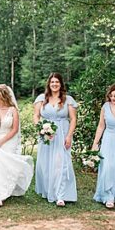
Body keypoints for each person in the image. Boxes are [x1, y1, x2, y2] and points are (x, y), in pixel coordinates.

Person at [33, 73, 80, 206]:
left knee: (61, 163)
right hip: (46, 135)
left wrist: (69, 136)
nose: (54, 84)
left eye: (57, 82)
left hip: (62, 133)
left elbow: (73, 119)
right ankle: (49, 190)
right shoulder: (42, 98)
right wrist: (42, 130)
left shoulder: (68, 99)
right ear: (49, 84)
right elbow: (36, 116)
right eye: (52, 82)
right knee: (46, 163)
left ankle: (61, 195)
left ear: (61, 84)